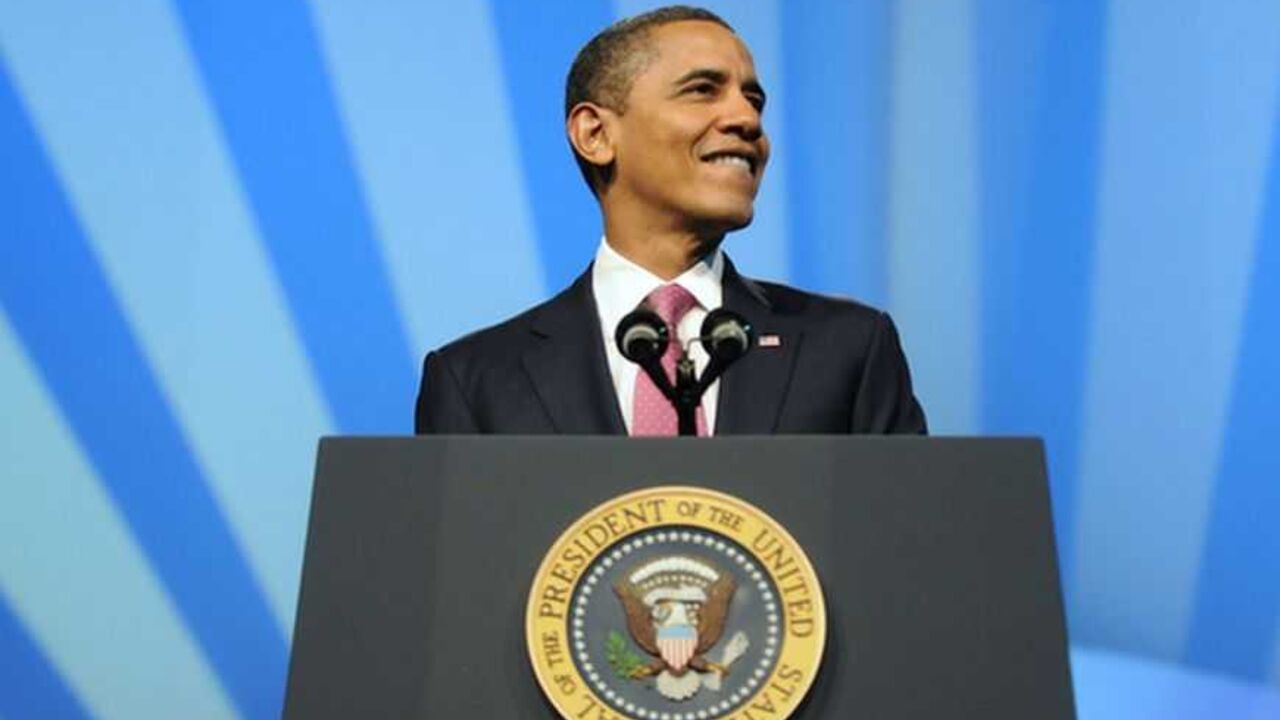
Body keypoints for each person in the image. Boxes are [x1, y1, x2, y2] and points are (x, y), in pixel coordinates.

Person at [415, 5, 925, 436]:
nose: (747, 120)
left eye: (754, 100)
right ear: (595, 134)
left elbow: (905, 541)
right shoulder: (475, 379)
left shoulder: (848, 348)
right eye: (703, 90)